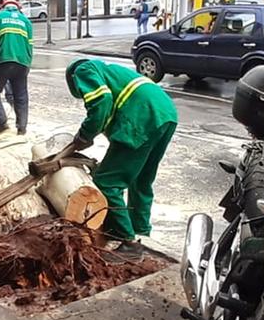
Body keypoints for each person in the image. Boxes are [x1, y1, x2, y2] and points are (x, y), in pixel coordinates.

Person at [62, 58, 178, 254]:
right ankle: (141, 232)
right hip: (166, 113)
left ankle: (128, 242)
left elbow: (102, 102)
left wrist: (85, 135)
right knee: (141, 179)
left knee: (107, 182)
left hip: (140, 117)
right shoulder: (111, 72)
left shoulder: (82, 70)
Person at [0, 0, 33, 136]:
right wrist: (27, 65)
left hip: (4, 60)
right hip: (22, 62)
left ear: (3, 6)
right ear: (18, 7)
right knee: (21, 96)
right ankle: (22, 128)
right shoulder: (26, 21)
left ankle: (2, 122)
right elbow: (30, 46)